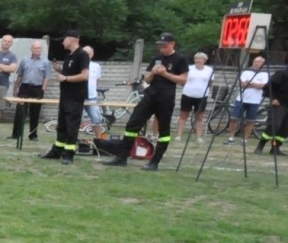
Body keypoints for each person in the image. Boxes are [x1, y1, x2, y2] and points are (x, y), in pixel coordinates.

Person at [104, 31, 187, 170]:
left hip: (166, 96)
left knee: (163, 129)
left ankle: (154, 162)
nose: (162, 48)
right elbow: (147, 80)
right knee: (133, 124)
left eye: (165, 46)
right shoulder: (156, 58)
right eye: (160, 46)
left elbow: (183, 80)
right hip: (150, 94)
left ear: (172, 44)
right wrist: (153, 73)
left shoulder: (180, 59)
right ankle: (122, 157)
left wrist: (165, 73)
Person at [40, 32, 90, 163]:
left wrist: (66, 78)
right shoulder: (69, 56)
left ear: (71, 39)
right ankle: (57, 150)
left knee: (71, 125)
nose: (62, 42)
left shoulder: (82, 55)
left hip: (75, 96)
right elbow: (69, 73)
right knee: (61, 125)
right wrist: (60, 70)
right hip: (65, 95)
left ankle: (69, 154)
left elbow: (85, 75)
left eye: (64, 40)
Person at [11, 40, 50, 141]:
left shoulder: (46, 62)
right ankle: (16, 134)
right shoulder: (25, 59)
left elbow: (46, 78)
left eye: (39, 48)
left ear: (41, 49)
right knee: (20, 112)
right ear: (31, 49)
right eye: (35, 48)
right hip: (24, 87)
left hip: (37, 88)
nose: (37, 50)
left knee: (35, 113)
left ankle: (33, 135)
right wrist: (16, 88)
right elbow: (20, 75)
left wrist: (42, 90)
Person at [226, 54, 270, 145]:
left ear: (263, 64)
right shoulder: (246, 72)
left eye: (258, 62)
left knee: (250, 121)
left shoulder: (265, 74)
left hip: (255, 101)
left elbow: (263, 86)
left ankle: (245, 140)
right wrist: (255, 84)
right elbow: (242, 84)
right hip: (241, 99)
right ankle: (231, 138)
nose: (256, 63)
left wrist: (250, 83)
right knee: (234, 118)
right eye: (255, 61)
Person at [178, 51, 213, 137]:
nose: (198, 60)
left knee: (199, 117)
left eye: (200, 59)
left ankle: (199, 137)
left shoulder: (209, 70)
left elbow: (210, 82)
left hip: (202, 96)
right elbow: (182, 80)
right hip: (187, 95)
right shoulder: (189, 68)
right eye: (196, 59)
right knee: (183, 116)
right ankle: (179, 135)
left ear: (204, 60)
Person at [261, 61, 288, 155]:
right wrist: (273, 98)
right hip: (279, 103)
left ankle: (275, 147)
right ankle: (261, 145)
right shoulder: (282, 74)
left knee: (285, 127)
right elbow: (269, 86)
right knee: (275, 125)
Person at [83, 46, 105, 138]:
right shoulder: (77, 64)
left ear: (92, 54)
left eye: (89, 54)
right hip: (78, 97)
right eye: (84, 53)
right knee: (73, 119)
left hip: (92, 97)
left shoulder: (96, 66)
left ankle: (100, 140)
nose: (87, 55)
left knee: (97, 119)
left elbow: (97, 80)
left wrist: (94, 91)